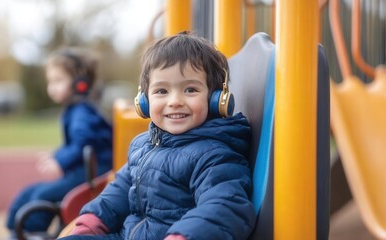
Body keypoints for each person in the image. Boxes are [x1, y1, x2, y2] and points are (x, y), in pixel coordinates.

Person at [59, 32, 255, 240]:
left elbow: (225, 206)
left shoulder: (214, 155)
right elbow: (121, 188)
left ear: (216, 99)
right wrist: (93, 220)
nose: (175, 101)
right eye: (162, 91)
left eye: (190, 89)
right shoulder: (143, 145)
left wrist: (183, 236)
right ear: (143, 101)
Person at [5, 47, 113, 237]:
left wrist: (60, 161)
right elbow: (75, 145)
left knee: (42, 196)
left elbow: (83, 144)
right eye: (50, 81)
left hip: (95, 174)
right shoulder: (75, 110)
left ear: (80, 83)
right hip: (84, 171)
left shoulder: (82, 112)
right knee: (29, 191)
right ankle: (15, 230)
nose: (52, 87)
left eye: (58, 80)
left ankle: (32, 234)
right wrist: (56, 155)